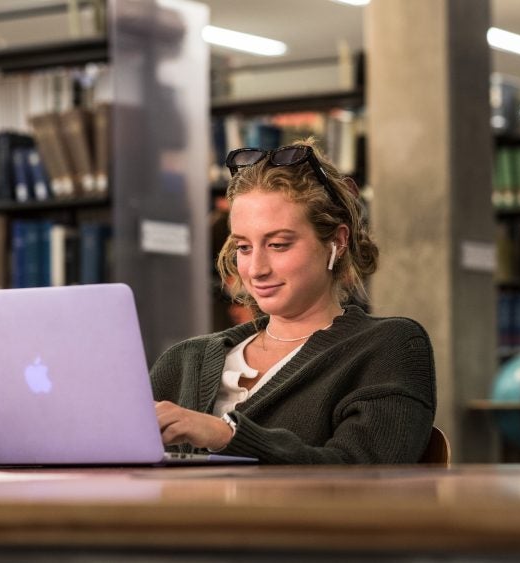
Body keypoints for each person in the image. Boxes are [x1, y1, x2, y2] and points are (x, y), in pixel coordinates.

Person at [152, 140, 437, 464]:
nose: (256, 269)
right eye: (244, 247)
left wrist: (226, 436)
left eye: (278, 244)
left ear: (337, 242)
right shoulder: (183, 361)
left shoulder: (389, 347)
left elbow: (366, 477)